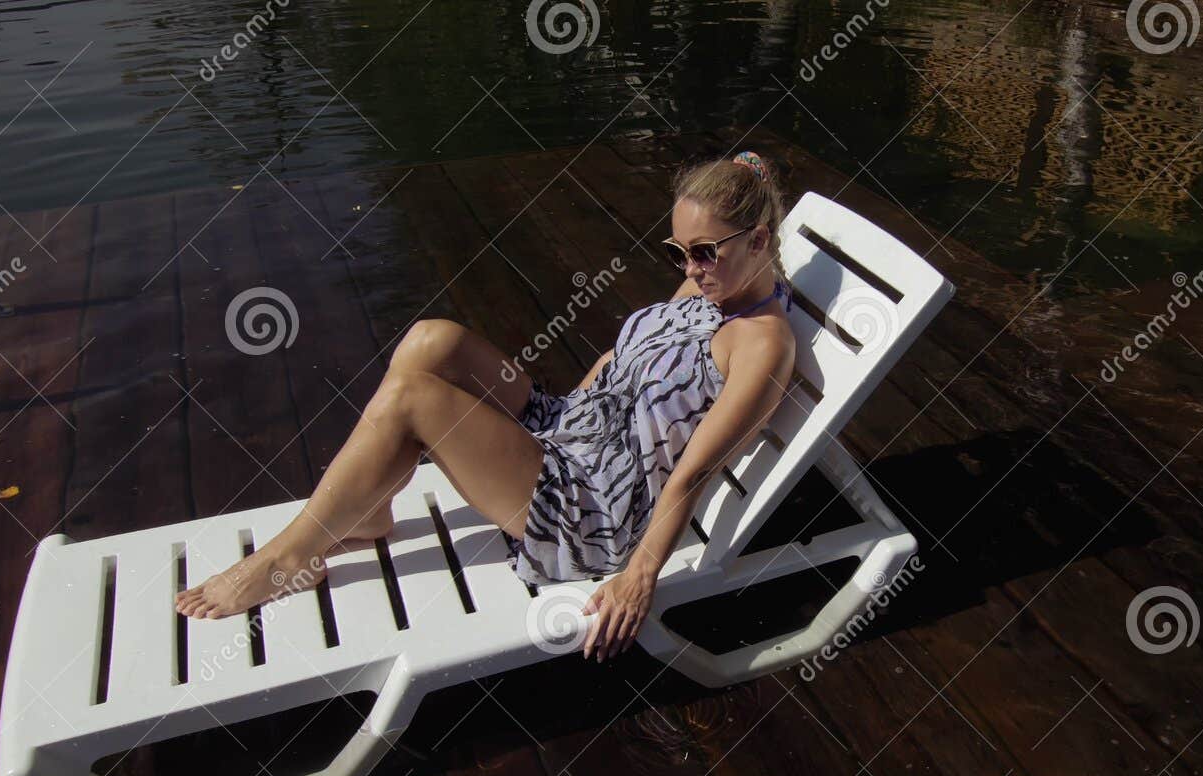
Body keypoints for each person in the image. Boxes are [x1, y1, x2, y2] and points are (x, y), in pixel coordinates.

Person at [175, 150, 797, 661]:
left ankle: (287, 556)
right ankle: (369, 512)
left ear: (760, 240)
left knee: (412, 399)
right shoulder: (709, 283)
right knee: (433, 339)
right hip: (573, 431)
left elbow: (692, 474)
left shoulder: (762, 344)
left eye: (702, 252)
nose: (688, 266)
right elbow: (625, 359)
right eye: (676, 251)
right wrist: (565, 413)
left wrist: (639, 575)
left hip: (592, 508)